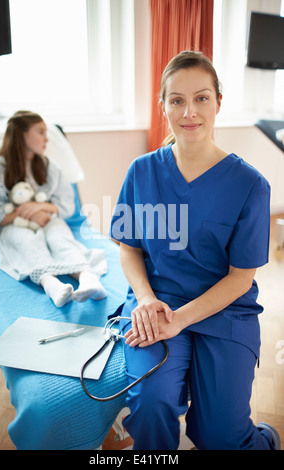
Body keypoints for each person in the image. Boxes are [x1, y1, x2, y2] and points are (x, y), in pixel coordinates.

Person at [110, 51, 281, 450]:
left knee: (222, 437)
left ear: (218, 101)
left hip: (225, 314)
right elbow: (128, 247)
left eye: (202, 98)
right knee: (151, 407)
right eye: (177, 100)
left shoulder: (250, 185)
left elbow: (241, 277)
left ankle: (265, 441)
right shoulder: (142, 171)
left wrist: (181, 321)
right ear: (164, 106)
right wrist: (148, 301)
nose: (189, 111)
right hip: (158, 307)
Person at [0, 110, 107, 307]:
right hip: (14, 225)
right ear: (22, 134)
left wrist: (41, 207)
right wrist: (26, 213)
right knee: (27, 242)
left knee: (60, 239)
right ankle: (51, 284)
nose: (46, 139)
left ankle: (88, 278)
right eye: (40, 132)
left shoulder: (48, 166)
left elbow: (67, 206)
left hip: (48, 219)